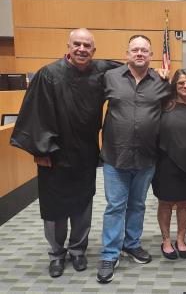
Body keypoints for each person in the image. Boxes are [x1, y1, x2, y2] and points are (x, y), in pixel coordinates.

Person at [10, 28, 121, 278]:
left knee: (83, 204)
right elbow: (35, 113)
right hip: (54, 154)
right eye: (77, 44)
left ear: (94, 50)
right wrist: (40, 150)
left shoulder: (101, 70)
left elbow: (130, 70)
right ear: (68, 46)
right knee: (55, 208)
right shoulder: (48, 75)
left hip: (85, 151)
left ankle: (78, 250)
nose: (82, 49)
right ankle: (57, 254)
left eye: (87, 45)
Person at [96, 34, 170, 283]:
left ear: (151, 55)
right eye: (135, 50)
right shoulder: (110, 78)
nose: (139, 53)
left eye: (144, 50)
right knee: (115, 206)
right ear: (127, 54)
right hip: (115, 156)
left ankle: (131, 243)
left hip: (147, 157)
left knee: (138, 205)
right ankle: (109, 254)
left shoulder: (161, 82)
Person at [152, 69, 186, 260]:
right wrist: (159, 76)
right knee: (165, 203)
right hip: (166, 162)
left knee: (185, 203)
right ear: (174, 85)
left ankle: (181, 239)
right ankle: (166, 240)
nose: (185, 86)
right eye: (181, 83)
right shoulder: (165, 104)